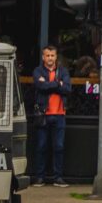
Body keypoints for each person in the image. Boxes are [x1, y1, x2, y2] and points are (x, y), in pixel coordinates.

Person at [32, 45, 70, 187]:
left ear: (56, 57)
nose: (50, 58)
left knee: (58, 147)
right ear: (43, 57)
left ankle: (58, 177)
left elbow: (67, 88)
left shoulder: (63, 71)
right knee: (41, 146)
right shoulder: (38, 71)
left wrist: (48, 84)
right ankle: (40, 177)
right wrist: (57, 84)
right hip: (43, 114)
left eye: (52, 55)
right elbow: (39, 86)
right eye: (47, 55)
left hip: (60, 115)